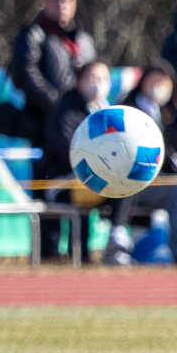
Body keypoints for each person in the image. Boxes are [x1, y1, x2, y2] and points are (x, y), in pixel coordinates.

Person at [110, 62, 177, 266]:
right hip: (136, 183)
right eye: (153, 80)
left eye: (163, 82)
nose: (158, 86)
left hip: (168, 178)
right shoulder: (128, 111)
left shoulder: (176, 115)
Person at [0, 0, 97, 145]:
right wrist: (59, 105)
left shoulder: (84, 39)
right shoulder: (33, 34)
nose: (62, 4)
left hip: (83, 124)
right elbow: (24, 74)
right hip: (45, 127)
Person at [39, 61, 110, 260]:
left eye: (104, 78)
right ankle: (79, 254)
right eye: (93, 78)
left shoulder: (107, 111)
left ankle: (119, 241)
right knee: (86, 190)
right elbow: (65, 146)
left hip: (94, 177)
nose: (98, 84)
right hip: (63, 179)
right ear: (79, 81)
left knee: (126, 186)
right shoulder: (66, 107)